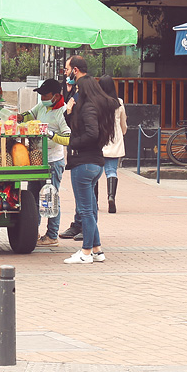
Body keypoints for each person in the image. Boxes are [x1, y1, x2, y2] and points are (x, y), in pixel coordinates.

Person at [63, 75, 116, 264]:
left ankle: (86, 252)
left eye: (77, 89)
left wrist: (73, 144)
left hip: (83, 163)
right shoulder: (98, 107)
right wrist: (68, 113)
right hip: (95, 163)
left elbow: (89, 133)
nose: (75, 92)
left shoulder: (88, 107)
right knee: (91, 209)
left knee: (85, 210)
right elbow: (79, 127)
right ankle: (97, 249)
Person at [22, 79, 70, 247]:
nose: (42, 98)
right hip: (36, 160)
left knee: (50, 198)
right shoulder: (42, 106)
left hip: (53, 162)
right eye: (41, 95)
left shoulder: (62, 113)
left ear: (56, 96)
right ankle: (32, 232)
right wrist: (18, 117)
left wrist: (49, 134)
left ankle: (52, 235)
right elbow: (30, 114)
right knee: (33, 198)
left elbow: (67, 138)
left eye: (45, 95)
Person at [59, 55, 92, 241]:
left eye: (67, 69)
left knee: (87, 202)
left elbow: (80, 123)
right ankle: (87, 236)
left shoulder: (87, 90)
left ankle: (89, 241)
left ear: (75, 70)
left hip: (86, 155)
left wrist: (76, 144)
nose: (65, 73)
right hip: (83, 154)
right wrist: (69, 91)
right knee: (86, 201)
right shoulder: (78, 89)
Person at [99, 76, 128, 214]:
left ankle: (94, 201)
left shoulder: (96, 102)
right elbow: (123, 123)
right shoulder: (119, 102)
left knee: (95, 173)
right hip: (115, 139)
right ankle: (111, 197)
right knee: (111, 171)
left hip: (100, 139)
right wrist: (122, 132)